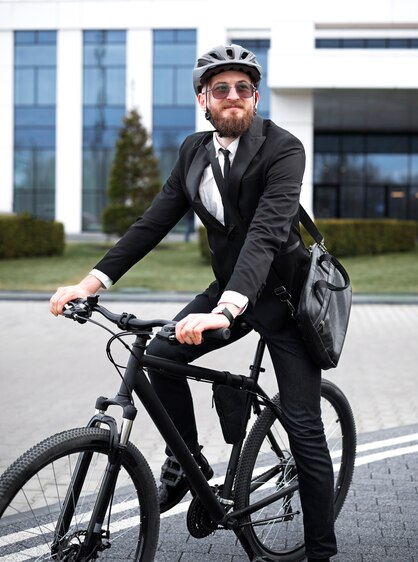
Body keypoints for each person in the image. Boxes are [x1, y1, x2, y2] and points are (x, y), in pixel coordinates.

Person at [50, 44, 336, 561]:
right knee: (158, 353)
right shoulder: (192, 152)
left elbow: (267, 235)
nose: (233, 97)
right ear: (203, 99)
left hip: (285, 304)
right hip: (226, 293)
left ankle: (319, 551)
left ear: (255, 97)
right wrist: (90, 283)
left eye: (243, 88)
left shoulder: (283, 149)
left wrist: (224, 310)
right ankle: (189, 463)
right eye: (220, 88)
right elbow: (152, 223)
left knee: (305, 428)